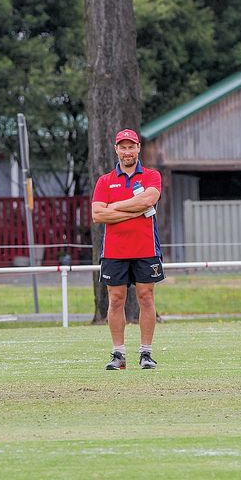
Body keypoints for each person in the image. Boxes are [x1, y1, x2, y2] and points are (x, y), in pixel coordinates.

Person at [91, 129, 163, 370]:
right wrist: (134, 212)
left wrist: (115, 207)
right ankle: (118, 355)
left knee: (146, 297)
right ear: (116, 150)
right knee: (115, 299)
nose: (127, 151)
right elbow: (98, 214)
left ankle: (146, 353)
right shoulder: (104, 181)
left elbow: (148, 200)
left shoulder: (151, 176)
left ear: (138, 148)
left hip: (146, 249)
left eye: (131, 146)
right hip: (114, 251)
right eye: (123, 147)